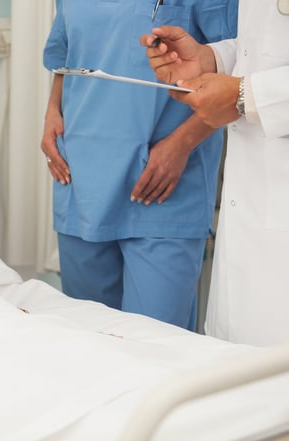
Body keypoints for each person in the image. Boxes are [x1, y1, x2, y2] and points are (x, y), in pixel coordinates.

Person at [40, 1, 239, 330]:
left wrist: (182, 144)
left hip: (163, 186)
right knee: (89, 344)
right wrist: (52, 113)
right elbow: (65, 57)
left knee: (157, 350)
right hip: (81, 178)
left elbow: (235, 70)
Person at [141, 1, 289, 346]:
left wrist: (246, 95)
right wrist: (210, 59)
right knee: (236, 377)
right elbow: (264, 46)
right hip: (252, 213)